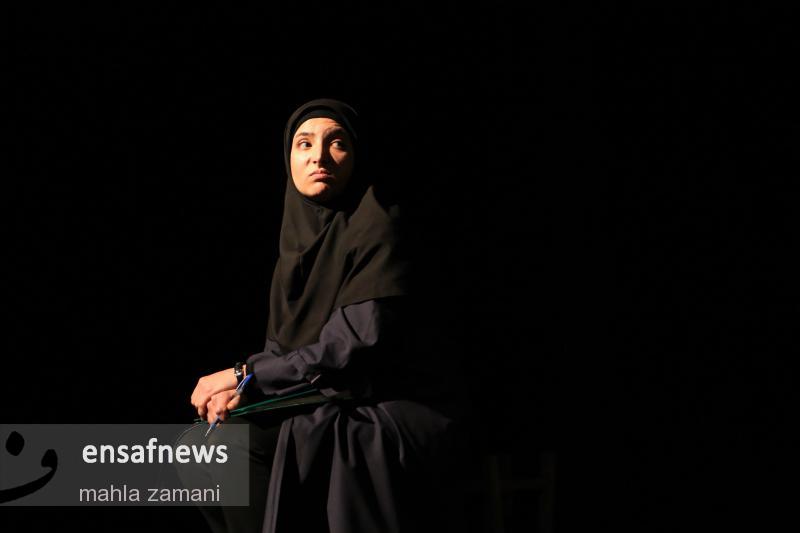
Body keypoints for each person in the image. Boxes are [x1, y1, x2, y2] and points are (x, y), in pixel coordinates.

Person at [177, 99, 465, 533]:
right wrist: (241, 390)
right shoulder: (296, 240)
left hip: (385, 404)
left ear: (357, 157)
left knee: (237, 448)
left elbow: (352, 348)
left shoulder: (379, 227)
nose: (319, 157)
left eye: (337, 143)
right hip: (323, 391)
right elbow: (283, 349)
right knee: (200, 446)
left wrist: (245, 375)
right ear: (289, 158)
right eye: (304, 144)